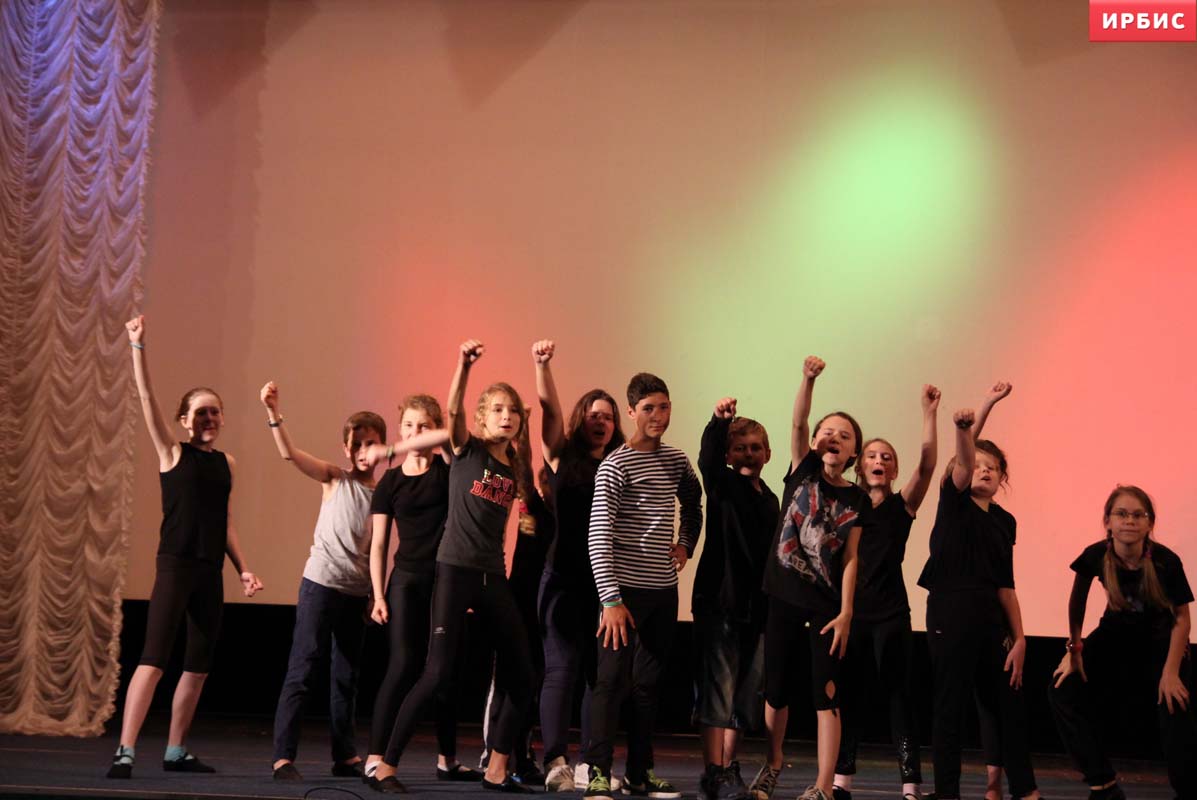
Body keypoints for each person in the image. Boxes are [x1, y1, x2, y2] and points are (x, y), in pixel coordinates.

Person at [108, 315, 263, 779]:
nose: (208, 419)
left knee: (197, 666)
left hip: (209, 572)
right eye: (199, 413)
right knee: (154, 658)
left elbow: (225, 523)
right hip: (175, 567)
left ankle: (176, 750)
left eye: (214, 412)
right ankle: (125, 750)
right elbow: (145, 398)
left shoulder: (227, 464)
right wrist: (137, 347)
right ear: (183, 420)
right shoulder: (172, 452)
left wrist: (243, 568)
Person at [752, 357, 868, 800]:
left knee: (826, 694)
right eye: (828, 431)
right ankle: (772, 763)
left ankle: (822, 786)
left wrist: (846, 611)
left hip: (825, 606)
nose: (834, 438)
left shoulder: (857, 499)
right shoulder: (803, 468)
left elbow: (852, 557)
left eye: (845, 435)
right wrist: (808, 379)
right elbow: (799, 422)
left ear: (854, 453)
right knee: (776, 688)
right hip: (783, 596)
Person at [583, 372, 702, 800]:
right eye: (648, 408)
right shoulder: (616, 464)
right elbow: (598, 534)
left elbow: (694, 501)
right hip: (624, 594)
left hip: (662, 591)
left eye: (664, 407)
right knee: (610, 682)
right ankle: (597, 773)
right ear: (632, 412)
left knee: (647, 685)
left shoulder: (676, 460)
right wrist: (610, 599)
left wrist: (685, 542)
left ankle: (639, 772)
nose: (658, 416)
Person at [1049, 485, 1195, 800]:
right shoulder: (1096, 555)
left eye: (1138, 515)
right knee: (1063, 689)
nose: (1129, 521)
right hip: (1114, 637)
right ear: (1108, 521)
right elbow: (1077, 603)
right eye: (1122, 514)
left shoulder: (1166, 561)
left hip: (1160, 642)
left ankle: (1187, 789)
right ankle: (1102, 783)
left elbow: (1182, 618)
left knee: (1176, 705)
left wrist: (1170, 672)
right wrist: (1074, 650)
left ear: (1149, 522)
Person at [832, 384, 939, 800]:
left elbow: (928, 465)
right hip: (851, 614)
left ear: (894, 471)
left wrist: (928, 412)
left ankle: (910, 784)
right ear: (860, 466)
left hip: (891, 615)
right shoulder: (846, 507)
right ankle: (841, 779)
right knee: (850, 696)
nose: (879, 461)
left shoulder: (901, 507)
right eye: (872, 456)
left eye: (887, 458)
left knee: (899, 696)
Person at [692, 397, 779, 800]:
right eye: (740, 447)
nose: (748, 453)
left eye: (756, 447)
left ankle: (729, 767)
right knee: (718, 690)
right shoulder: (722, 484)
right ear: (728, 454)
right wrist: (717, 422)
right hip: (720, 602)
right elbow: (707, 459)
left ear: (768, 454)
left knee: (745, 695)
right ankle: (713, 771)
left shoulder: (771, 499)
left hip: (756, 607)